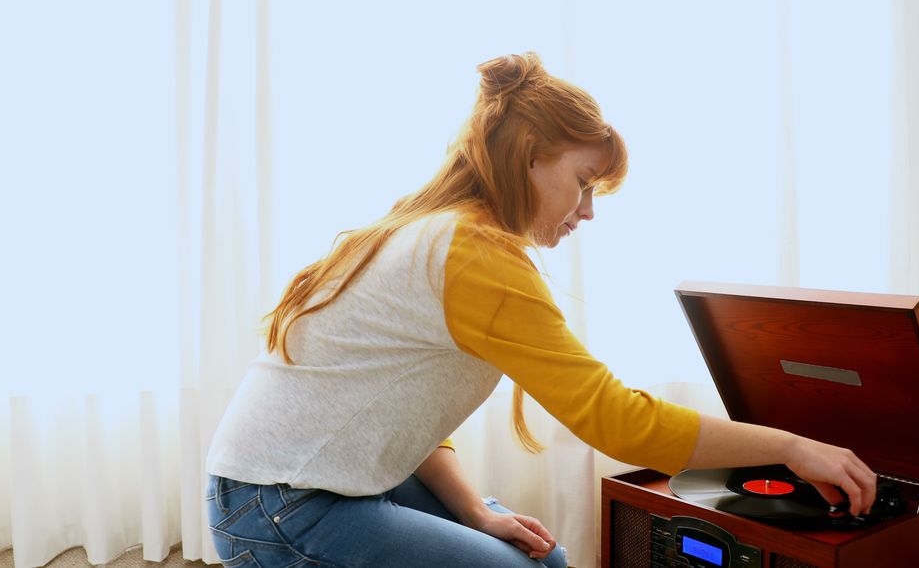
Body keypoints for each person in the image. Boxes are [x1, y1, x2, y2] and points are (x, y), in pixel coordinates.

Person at [204, 52, 878, 568]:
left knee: (541, 553)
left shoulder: (438, 229)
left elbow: (400, 413)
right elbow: (617, 422)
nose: (587, 212)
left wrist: (476, 512)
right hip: (279, 506)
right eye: (583, 184)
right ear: (529, 158)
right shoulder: (471, 252)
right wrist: (792, 449)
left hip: (290, 487)